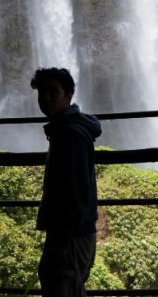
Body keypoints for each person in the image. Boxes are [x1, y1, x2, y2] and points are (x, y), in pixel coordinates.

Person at [31, 67, 102, 297]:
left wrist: (62, 239)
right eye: (42, 93)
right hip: (71, 233)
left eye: (53, 92)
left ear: (69, 94)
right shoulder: (64, 130)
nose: (46, 98)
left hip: (70, 237)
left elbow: (77, 192)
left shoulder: (71, 134)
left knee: (62, 284)